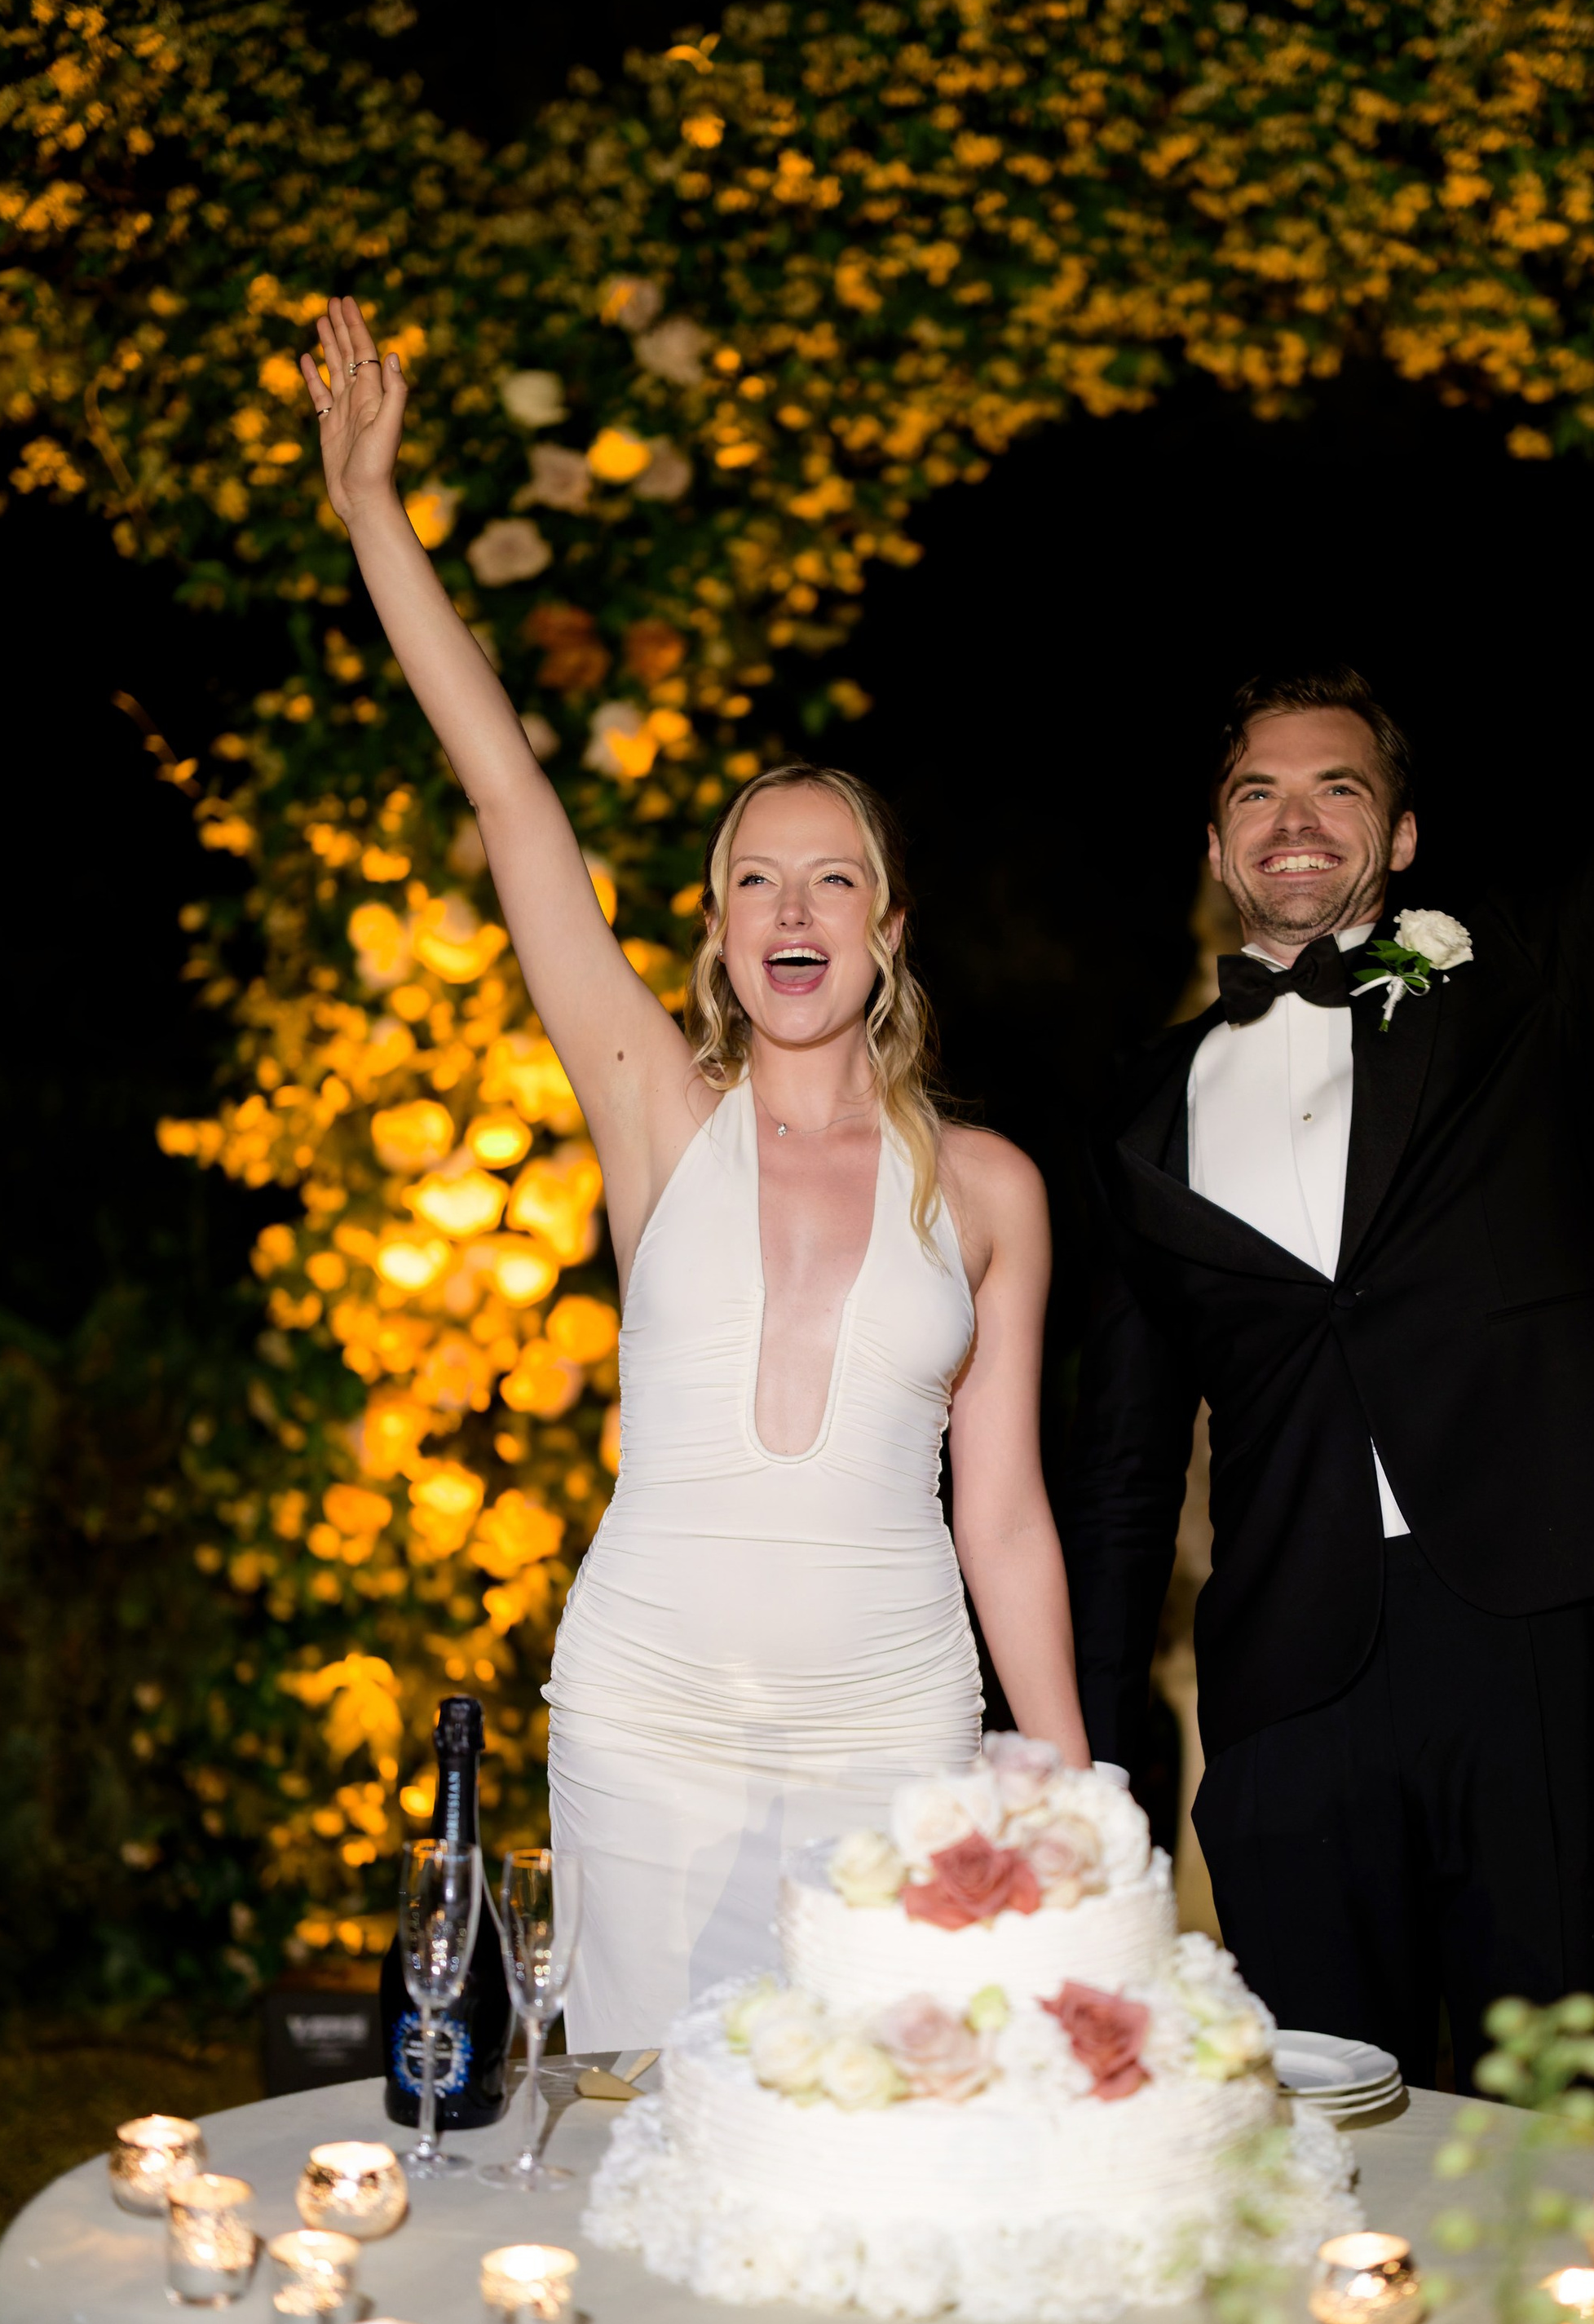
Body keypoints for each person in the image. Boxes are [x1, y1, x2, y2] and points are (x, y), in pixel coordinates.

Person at [1062, 185, 1594, 2107]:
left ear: (1399, 839)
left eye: (1337, 788)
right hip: (1291, 1677)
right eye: (1256, 793)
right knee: (1321, 2120)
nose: (1293, 820)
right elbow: (1130, 1458)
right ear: (1218, 842)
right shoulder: (1141, 1123)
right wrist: (1081, 1757)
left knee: (1545, 2126)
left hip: (1535, 1623)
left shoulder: (1518, 999)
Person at [301, 296, 1088, 2052]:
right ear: (716, 934)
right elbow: (511, 798)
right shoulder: (656, 1109)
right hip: (647, 1719)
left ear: (884, 931)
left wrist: (1066, 1793)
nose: (790, 913)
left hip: (893, 1722)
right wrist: (373, 514)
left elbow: (1007, 1517)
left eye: (830, 884)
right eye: (754, 882)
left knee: (881, 2152)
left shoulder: (986, 1191)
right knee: (635, 2151)